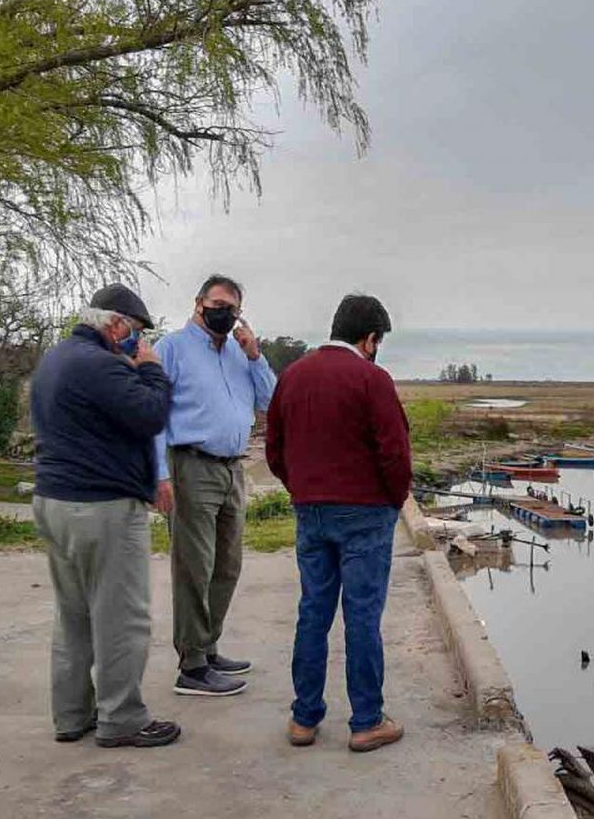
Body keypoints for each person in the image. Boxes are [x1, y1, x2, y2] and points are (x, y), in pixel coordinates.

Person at [28, 284, 180, 748]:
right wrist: (152, 370)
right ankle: (122, 718)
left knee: (73, 616)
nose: (137, 342)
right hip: (102, 507)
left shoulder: (56, 360)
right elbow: (151, 414)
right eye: (135, 332)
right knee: (121, 618)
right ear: (114, 324)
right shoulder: (101, 365)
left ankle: (71, 715)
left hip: (54, 501)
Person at [265, 294, 411, 752]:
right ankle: (366, 720)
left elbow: (275, 449)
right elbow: (394, 451)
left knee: (313, 611)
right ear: (369, 339)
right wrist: (394, 499)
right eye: (378, 340)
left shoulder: (292, 376)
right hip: (365, 513)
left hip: (312, 511)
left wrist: (301, 488)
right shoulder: (373, 379)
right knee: (362, 615)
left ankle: (304, 718)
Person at [152, 275, 277, 697]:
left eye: (233, 308)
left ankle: (208, 646)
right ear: (199, 303)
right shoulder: (172, 349)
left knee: (227, 564)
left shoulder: (241, 354)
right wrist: (159, 474)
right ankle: (191, 665)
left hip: (232, 468)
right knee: (194, 565)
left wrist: (256, 356)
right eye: (219, 303)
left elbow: (271, 402)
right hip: (191, 465)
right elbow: (153, 414)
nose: (225, 312)